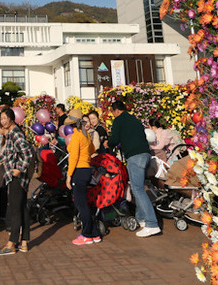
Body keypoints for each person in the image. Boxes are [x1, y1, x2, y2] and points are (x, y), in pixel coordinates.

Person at [107, 99, 160, 238]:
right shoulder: (135, 120)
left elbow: (114, 139)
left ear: (116, 111)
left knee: (137, 189)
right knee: (139, 187)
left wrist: (108, 142)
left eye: (113, 113)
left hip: (135, 157)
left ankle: (152, 224)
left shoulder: (119, 120)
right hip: (145, 154)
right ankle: (141, 219)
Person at [0, 108, 33, 256]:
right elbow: (6, 157)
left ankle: (11, 243)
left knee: (14, 209)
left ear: (11, 118)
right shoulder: (11, 134)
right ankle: (25, 241)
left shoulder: (15, 134)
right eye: (1, 119)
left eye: (4, 118)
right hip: (17, 176)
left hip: (16, 177)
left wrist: (20, 169)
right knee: (22, 208)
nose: (2, 121)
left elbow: (28, 153)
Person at [65, 109, 100, 245]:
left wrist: (68, 176)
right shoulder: (86, 135)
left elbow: (73, 158)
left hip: (79, 171)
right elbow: (92, 150)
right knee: (86, 203)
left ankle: (87, 234)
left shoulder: (76, 136)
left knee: (81, 204)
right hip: (87, 169)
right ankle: (94, 233)